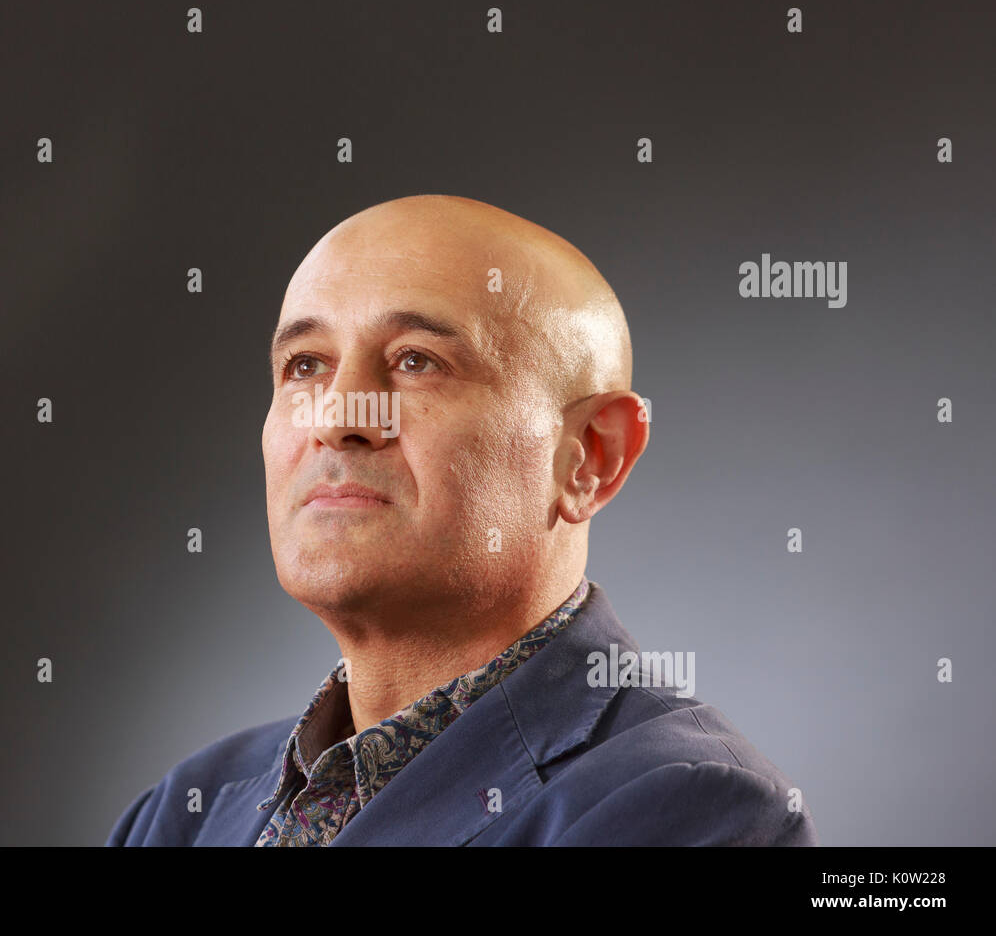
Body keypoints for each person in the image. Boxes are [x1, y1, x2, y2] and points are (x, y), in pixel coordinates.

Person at [106, 194, 817, 846]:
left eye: (416, 361)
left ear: (590, 457)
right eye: (304, 366)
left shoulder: (689, 809)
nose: (338, 417)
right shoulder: (185, 809)